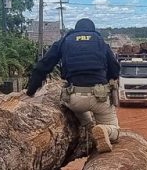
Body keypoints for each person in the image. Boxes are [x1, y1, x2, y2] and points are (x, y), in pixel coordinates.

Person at [26, 18, 120, 153]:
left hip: (74, 99)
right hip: (100, 98)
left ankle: (89, 126)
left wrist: (30, 92)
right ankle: (105, 130)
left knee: (76, 105)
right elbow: (115, 69)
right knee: (115, 130)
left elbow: (42, 67)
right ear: (93, 30)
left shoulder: (65, 41)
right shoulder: (100, 42)